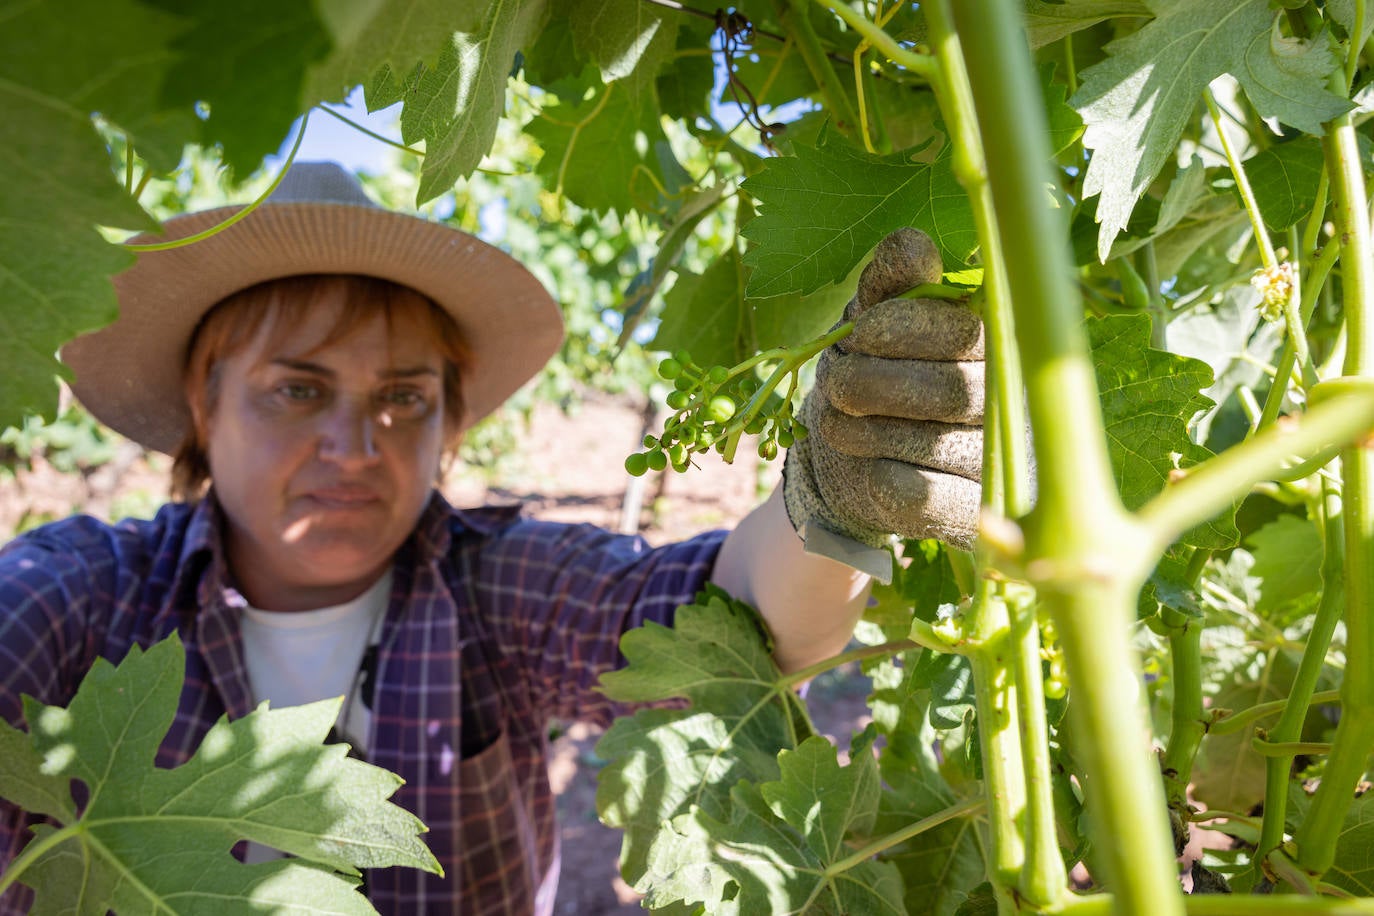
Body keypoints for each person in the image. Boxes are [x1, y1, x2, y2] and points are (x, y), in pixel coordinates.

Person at [0, 162, 984, 914]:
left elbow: (728, 630)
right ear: (202, 410)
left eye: (404, 397)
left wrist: (835, 492)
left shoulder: (493, 586)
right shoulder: (82, 601)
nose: (352, 444)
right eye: (298, 389)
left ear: (451, 426)